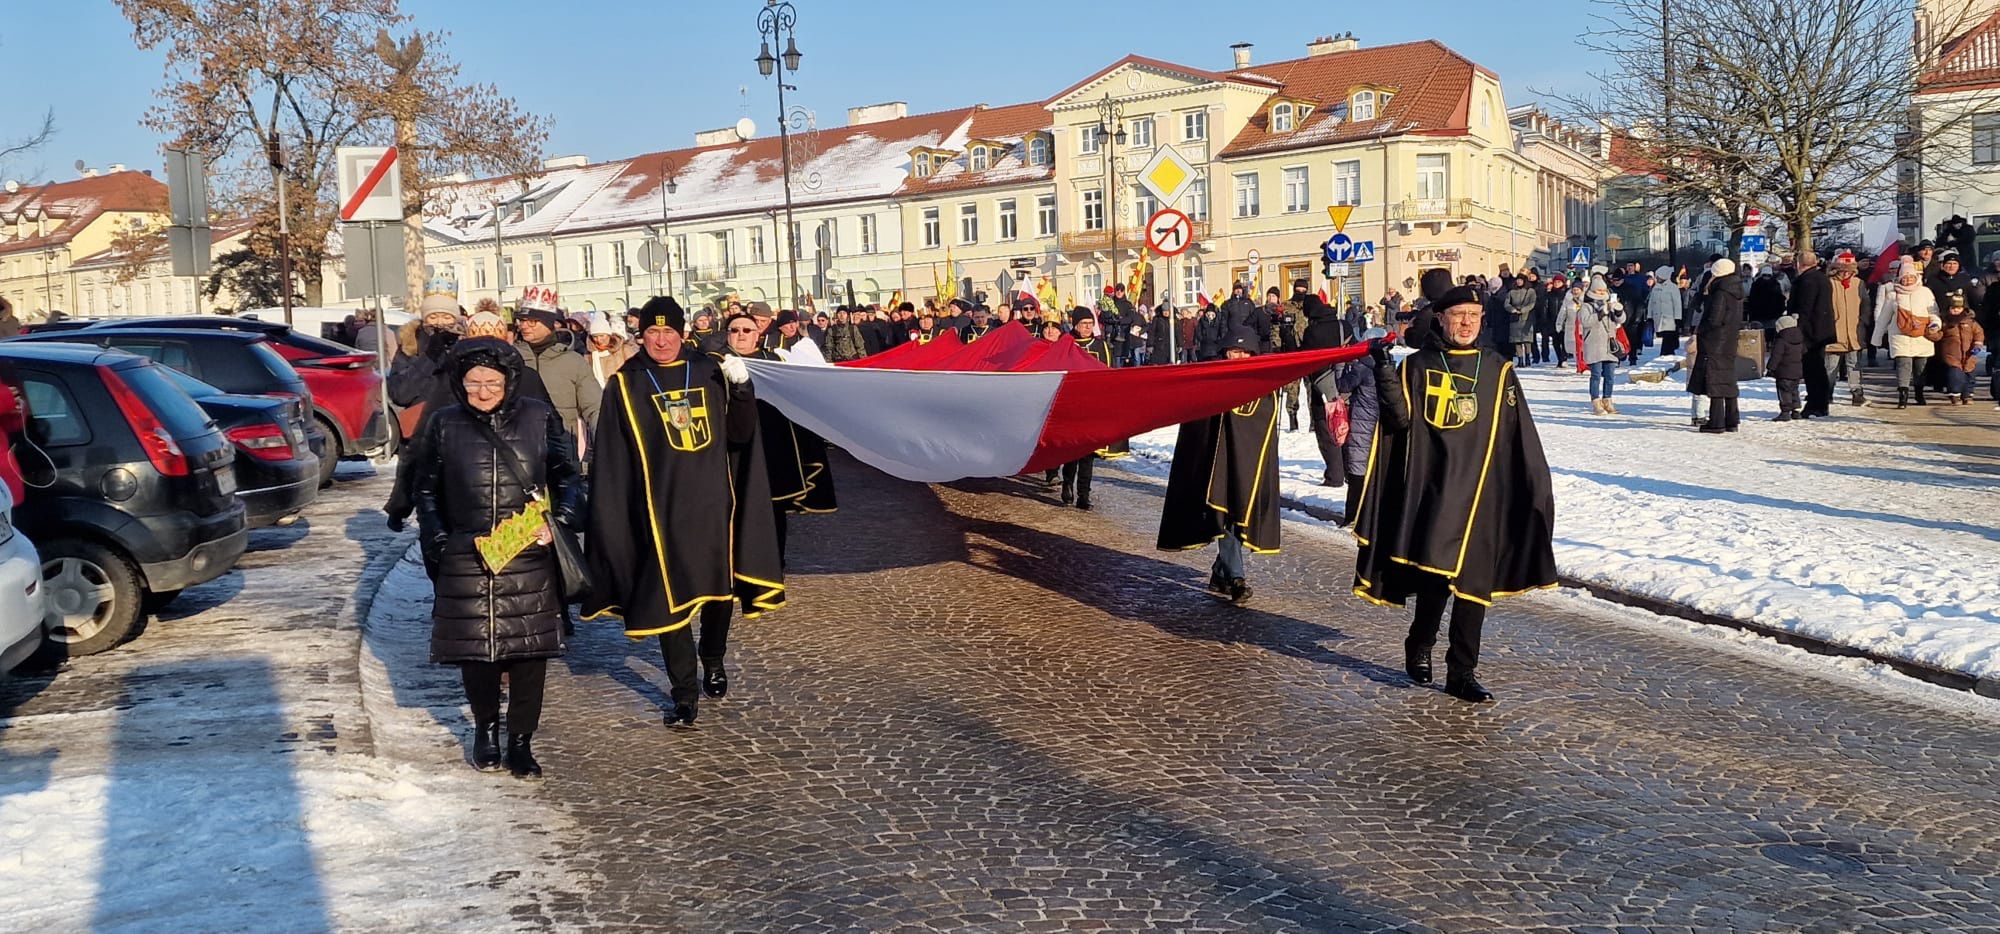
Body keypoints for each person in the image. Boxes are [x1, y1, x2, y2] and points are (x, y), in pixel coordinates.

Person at [1351, 282, 1557, 703]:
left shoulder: (1498, 369)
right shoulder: (1420, 367)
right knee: (1436, 579)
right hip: (1437, 490)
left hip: (1483, 493)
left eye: (1474, 316)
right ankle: (1420, 641)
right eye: (1458, 315)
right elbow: (1400, 422)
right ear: (1441, 319)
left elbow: (1516, 434)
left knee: (1474, 587)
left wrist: (1530, 486)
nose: (1466, 323)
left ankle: (1462, 672)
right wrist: (1384, 372)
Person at [584, 296, 786, 727]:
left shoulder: (711, 370)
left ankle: (712, 655)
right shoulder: (627, 384)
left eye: (669, 332)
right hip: (660, 513)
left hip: (715, 504)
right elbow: (615, 457)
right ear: (642, 336)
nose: (661, 340)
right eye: (652, 333)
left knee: (719, 594)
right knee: (667, 603)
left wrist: (743, 390)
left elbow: (740, 433)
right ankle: (683, 692)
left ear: (682, 334)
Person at [412, 340, 581, 780]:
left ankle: (521, 742)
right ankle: (485, 729)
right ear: (459, 384)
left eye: (492, 382)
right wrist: (440, 539)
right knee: (477, 654)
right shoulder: (443, 424)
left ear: (508, 381)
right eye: (473, 383)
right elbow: (425, 489)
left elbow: (568, 478)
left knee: (529, 653)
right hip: (466, 554)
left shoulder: (538, 417)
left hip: (529, 551)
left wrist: (558, 522)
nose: (483, 391)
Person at [1156, 327, 1279, 606]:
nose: (1239, 356)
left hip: (1247, 465)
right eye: (1234, 351)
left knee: (1236, 519)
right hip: (1216, 467)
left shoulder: (1262, 384)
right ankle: (1237, 580)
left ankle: (1220, 571)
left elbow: (1262, 425)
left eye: (1244, 352)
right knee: (1225, 518)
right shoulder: (1213, 379)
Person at [723, 310, 836, 561]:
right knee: (734, 510)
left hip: (771, 446)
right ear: (727, 334)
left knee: (772, 510)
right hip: (731, 450)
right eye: (735, 330)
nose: (741, 335)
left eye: (747, 330)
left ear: (758, 334)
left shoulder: (773, 360)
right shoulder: (713, 363)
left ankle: (774, 563)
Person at [514, 287, 600, 450]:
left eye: (531, 321)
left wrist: (605, 444)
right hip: (520, 453)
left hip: (564, 451)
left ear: (549, 323)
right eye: (521, 320)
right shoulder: (511, 358)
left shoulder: (573, 361)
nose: (524, 326)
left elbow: (595, 408)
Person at [1870, 260, 1941, 409]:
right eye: (1904, 277)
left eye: (1910, 277)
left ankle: (1919, 393)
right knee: (1903, 365)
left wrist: (1935, 324)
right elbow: (1884, 318)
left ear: (1916, 277)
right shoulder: (1893, 295)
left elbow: (1933, 312)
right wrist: (1876, 339)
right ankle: (1903, 395)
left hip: (1922, 335)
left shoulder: (1925, 293)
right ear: (1899, 278)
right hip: (1899, 335)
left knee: (1920, 367)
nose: (1907, 280)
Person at [1332, 328, 1385, 526]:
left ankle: (1353, 517)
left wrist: (1340, 363)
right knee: (1373, 471)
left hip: (1361, 425)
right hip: (1378, 425)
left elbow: (1343, 386)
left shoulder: (1362, 367)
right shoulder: (1387, 366)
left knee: (1357, 473)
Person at [1298, 284, 1347, 487]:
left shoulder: (1312, 332)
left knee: (1326, 429)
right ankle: (1348, 470)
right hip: (1347, 381)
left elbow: (1304, 358)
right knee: (1345, 426)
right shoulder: (1344, 325)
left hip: (1323, 385)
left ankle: (1334, 475)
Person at [1693, 259, 1746, 433]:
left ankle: (1716, 422)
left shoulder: (1720, 291)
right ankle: (1732, 419)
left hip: (1715, 341)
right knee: (1728, 377)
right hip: (1730, 339)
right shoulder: (1735, 289)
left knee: (1715, 378)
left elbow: (1715, 318)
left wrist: (1701, 330)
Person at [1561, 275, 1627, 414]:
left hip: (1609, 345)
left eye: (1603, 291)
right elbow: (1586, 322)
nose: (1602, 294)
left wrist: (1619, 310)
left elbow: (1620, 321)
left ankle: (1607, 400)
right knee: (1596, 374)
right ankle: (1596, 401)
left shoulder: (1609, 303)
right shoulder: (1586, 306)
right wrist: (1602, 313)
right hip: (1594, 344)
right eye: (1599, 291)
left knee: (1610, 375)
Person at [1789, 251, 1835, 418]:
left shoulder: (1807, 281)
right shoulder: (1822, 278)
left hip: (1811, 331)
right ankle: (1820, 404)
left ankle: (1815, 404)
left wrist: (1797, 328)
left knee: (1812, 368)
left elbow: (1805, 307)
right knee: (1818, 367)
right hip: (1821, 330)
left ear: (1799, 264)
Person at [1826, 255, 1867, 407]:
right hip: (1834, 332)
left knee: (1854, 365)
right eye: (1841, 271)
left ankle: (1857, 393)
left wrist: (1863, 322)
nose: (1845, 274)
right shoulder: (1829, 283)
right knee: (1831, 366)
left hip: (1854, 332)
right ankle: (1827, 392)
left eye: (1848, 271)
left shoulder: (1859, 284)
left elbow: (1865, 306)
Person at [1934, 294, 1984, 405]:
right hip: (1951, 354)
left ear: (1963, 309)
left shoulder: (1971, 322)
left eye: (1958, 308)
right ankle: (1954, 394)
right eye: (1953, 308)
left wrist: (1977, 345)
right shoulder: (1945, 322)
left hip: (1968, 354)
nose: (1956, 310)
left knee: (1969, 374)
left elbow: (1979, 334)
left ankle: (1967, 395)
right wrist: (1932, 332)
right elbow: (1938, 336)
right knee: (1955, 375)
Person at [1767, 314, 1806, 421]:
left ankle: (1785, 411)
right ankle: (1796, 411)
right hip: (1797, 371)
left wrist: (1771, 368)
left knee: (1784, 391)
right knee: (1794, 390)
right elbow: (1804, 352)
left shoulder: (1781, 340)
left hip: (1784, 371)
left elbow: (1776, 356)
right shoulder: (1800, 338)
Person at [586, 312, 635, 387]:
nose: (599, 340)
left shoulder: (624, 349)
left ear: (608, 334)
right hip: (599, 394)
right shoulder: (589, 355)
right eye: (595, 336)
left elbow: (635, 371)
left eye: (602, 336)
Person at [1648, 266, 1684, 359]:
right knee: (1665, 335)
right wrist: (1649, 316)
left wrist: (1677, 318)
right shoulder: (1655, 287)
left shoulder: (1673, 287)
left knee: (1668, 336)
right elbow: (1651, 303)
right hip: (1658, 316)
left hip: (1669, 317)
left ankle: (1666, 353)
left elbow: (1677, 304)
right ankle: (1666, 353)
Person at [1505, 274, 1538, 367]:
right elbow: (1507, 303)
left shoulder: (1530, 291)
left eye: (1520, 280)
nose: (1519, 282)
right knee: (1517, 341)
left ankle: (1528, 358)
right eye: (1517, 280)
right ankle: (1520, 360)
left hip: (1527, 318)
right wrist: (1512, 310)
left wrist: (1523, 310)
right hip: (1515, 318)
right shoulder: (1512, 292)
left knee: (1527, 340)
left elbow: (1532, 303)